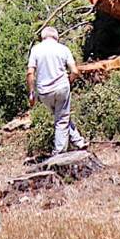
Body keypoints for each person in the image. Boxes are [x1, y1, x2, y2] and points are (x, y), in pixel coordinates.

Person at [26, 26, 88, 156]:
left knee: (61, 117)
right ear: (56, 37)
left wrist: (31, 93)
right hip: (61, 88)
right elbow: (75, 71)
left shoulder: (36, 50)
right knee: (62, 118)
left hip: (44, 92)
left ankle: (78, 141)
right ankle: (59, 153)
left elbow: (30, 72)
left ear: (43, 37)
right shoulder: (63, 49)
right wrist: (69, 82)